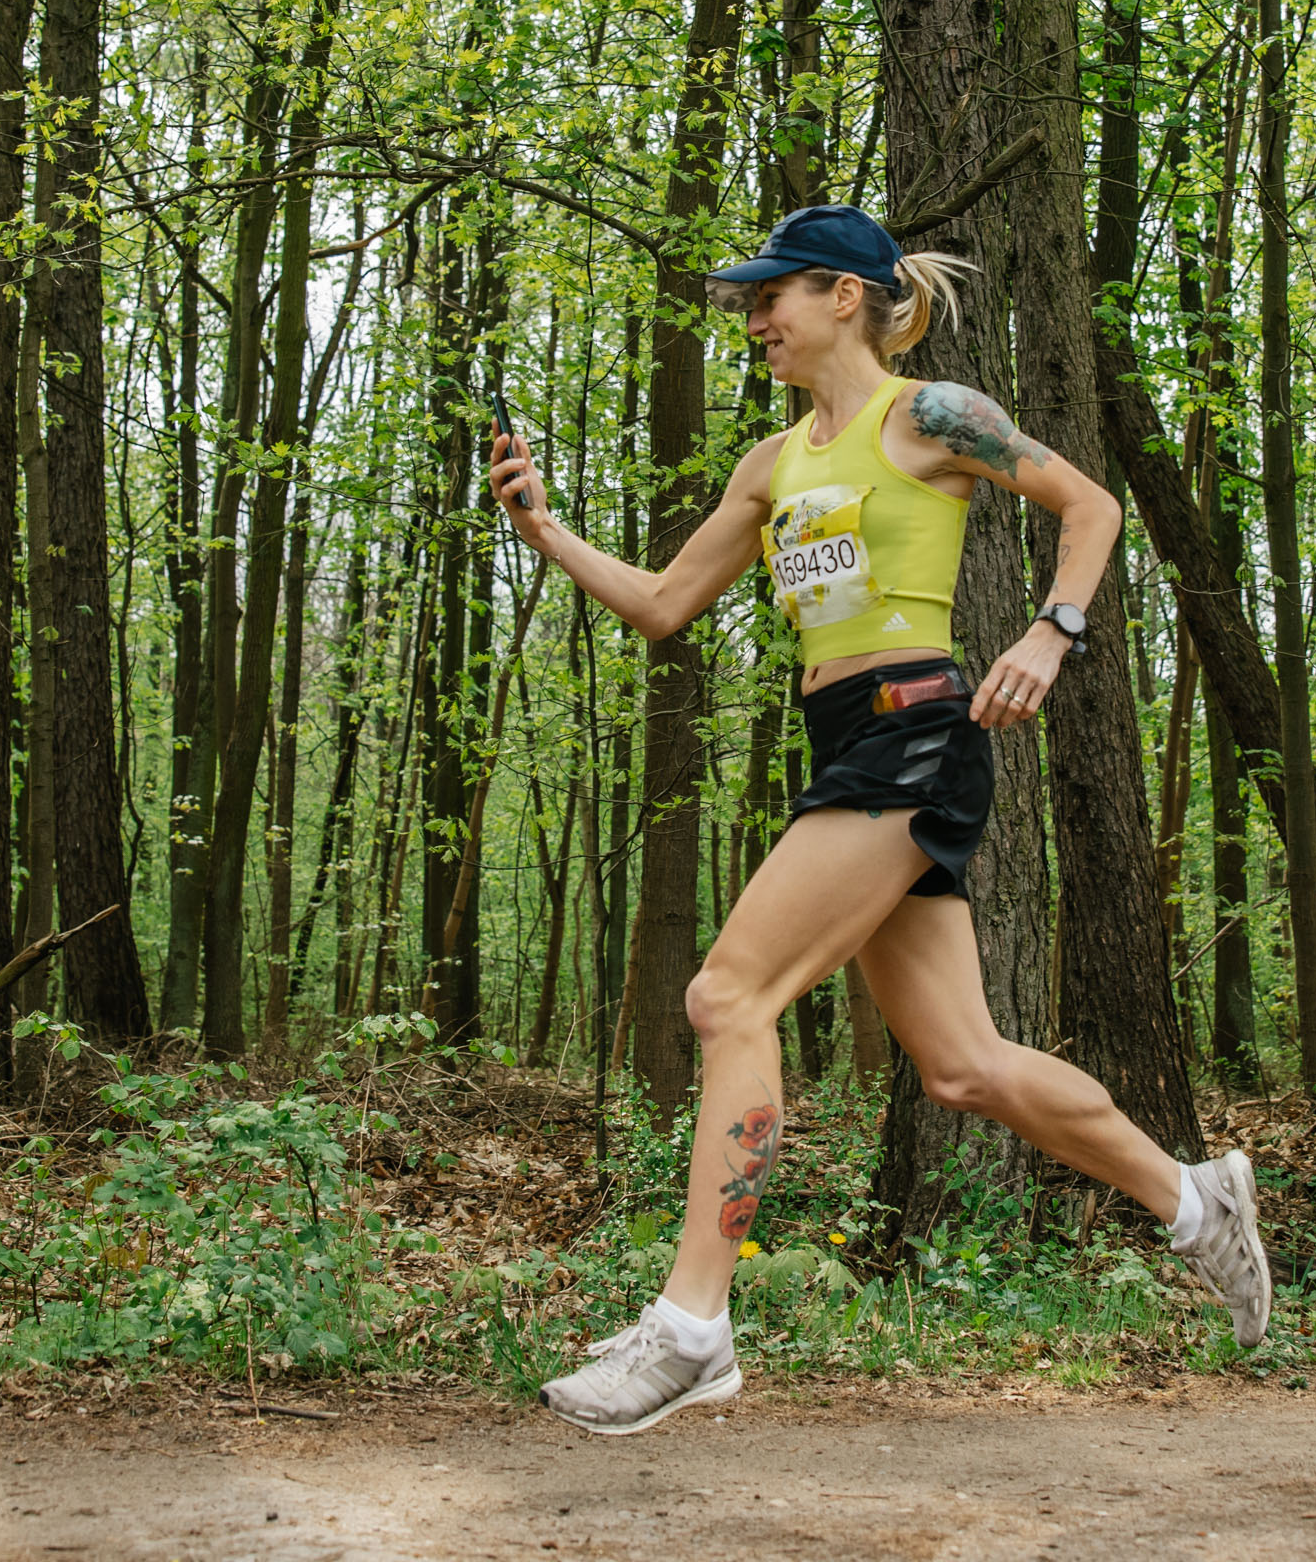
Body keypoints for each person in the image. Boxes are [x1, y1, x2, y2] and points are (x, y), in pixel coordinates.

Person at [485, 204, 1270, 1437]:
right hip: (844, 741)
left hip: (916, 732)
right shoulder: (769, 464)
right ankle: (1192, 1199)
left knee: (727, 997)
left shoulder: (932, 415)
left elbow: (1092, 509)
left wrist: (1049, 634)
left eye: (771, 298)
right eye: (750, 304)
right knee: (961, 1065)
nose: (754, 321)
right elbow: (661, 604)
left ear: (843, 296)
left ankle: (690, 1330)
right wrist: (541, 527)